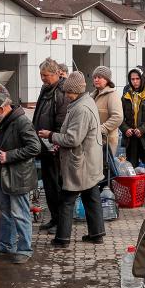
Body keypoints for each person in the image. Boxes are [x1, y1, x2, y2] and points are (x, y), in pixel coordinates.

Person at [39, 72, 105, 247]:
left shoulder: (81, 108)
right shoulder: (85, 102)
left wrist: (51, 135)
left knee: (67, 200)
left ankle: (62, 239)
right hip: (88, 160)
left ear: (76, 91)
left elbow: (73, 139)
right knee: (91, 196)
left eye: (68, 92)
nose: (66, 95)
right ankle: (97, 234)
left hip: (80, 162)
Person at [0, 93, 40, 263]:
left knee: (20, 214)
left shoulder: (21, 122)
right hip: (6, 176)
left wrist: (9, 156)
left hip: (17, 177)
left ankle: (24, 249)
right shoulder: (7, 121)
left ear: (1, 108)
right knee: (7, 213)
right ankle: (6, 245)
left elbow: (34, 147)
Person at [32, 58, 69, 232]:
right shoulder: (46, 89)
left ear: (56, 74)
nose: (42, 78)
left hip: (55, 146)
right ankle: (54, 218)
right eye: (41, 75)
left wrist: (55, 140)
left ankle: (61, 222)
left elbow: (62, 121)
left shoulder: (61, 92)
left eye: (45, 75)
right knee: (49, 185)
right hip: (44, 145)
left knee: (57, 185)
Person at [120, 68, 145, 168]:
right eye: (132, 79)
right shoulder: (125, 96)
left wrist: (142, 129)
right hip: (130, 138)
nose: (135, 82)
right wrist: (125, 129)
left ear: (142, 79)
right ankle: (134, 184)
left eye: (137, 79)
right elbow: (119, 116)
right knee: (131, 167)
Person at [91, 66, 124, 161]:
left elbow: (118, 117)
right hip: (94, 139)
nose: (96, 79)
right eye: (95, 77)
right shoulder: (92, 95)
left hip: (106, 141)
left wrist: (102, 129)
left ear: (107, 80)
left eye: (99, 77)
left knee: (105, 171)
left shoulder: (112, 95)